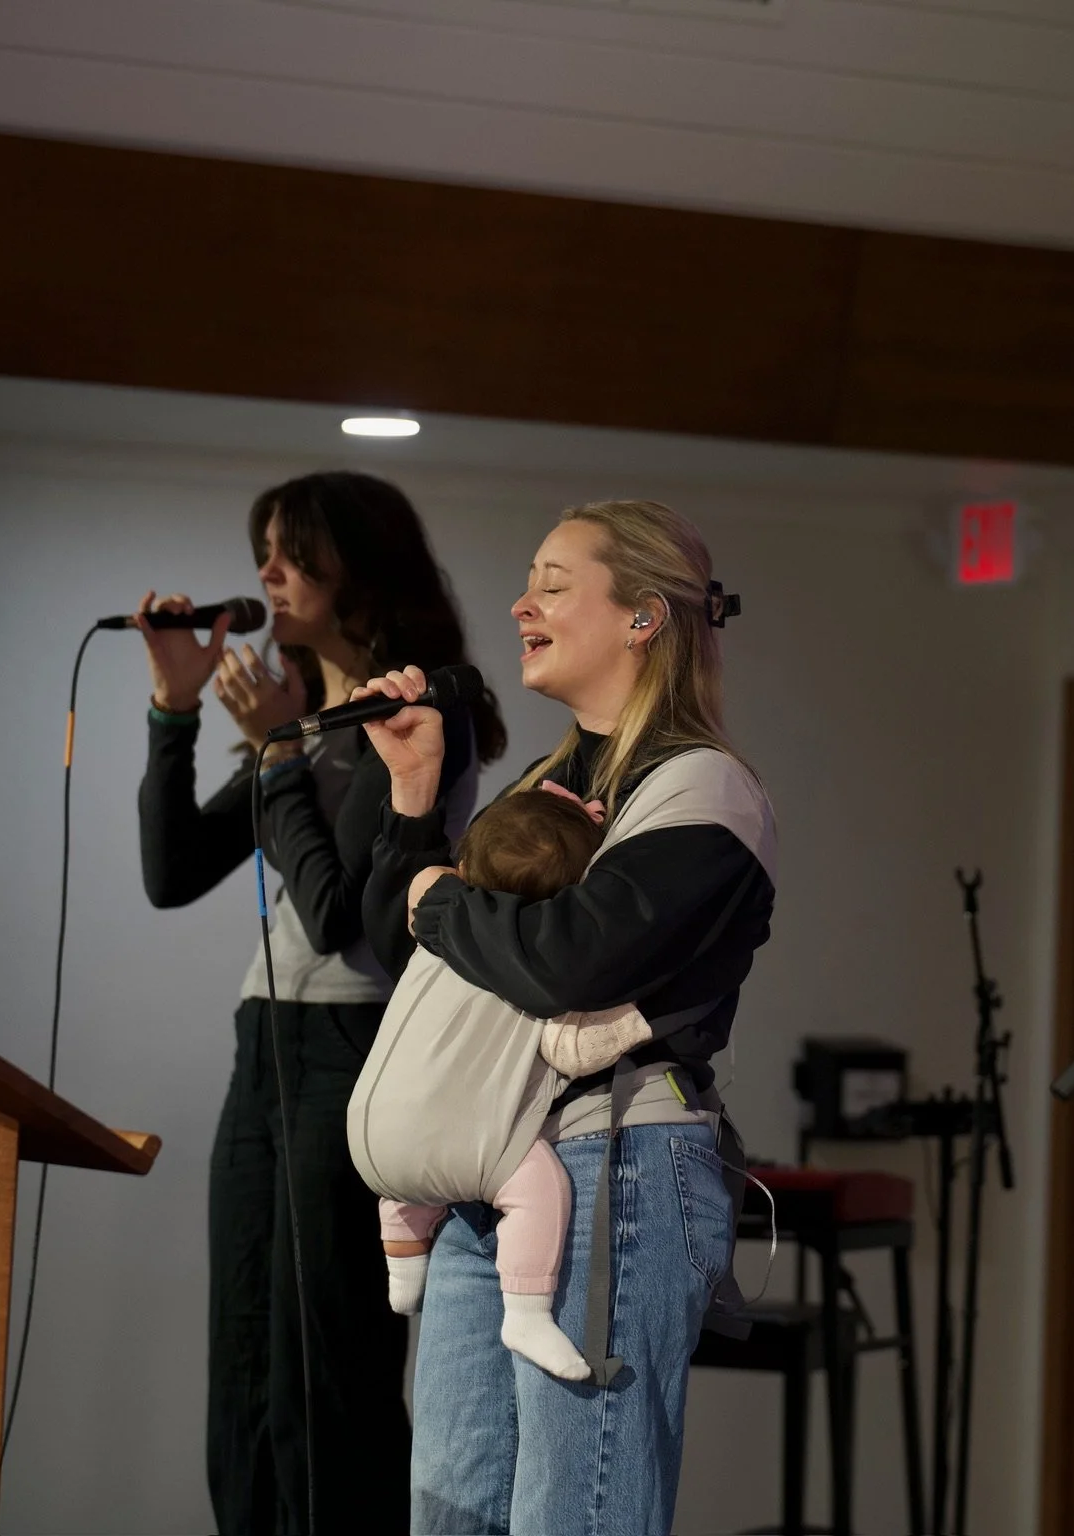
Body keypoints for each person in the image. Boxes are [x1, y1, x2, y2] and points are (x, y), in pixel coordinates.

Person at [351, 499, 775, 1535]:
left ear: (641, 617)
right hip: (481, 1185)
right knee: (452, 1514)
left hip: (614, 1171)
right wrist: (414, 798)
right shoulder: (548, 781)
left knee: (574, 1517)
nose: (519, 603)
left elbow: (572, 960)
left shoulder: (701, 789)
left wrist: (444, 900)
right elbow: (394, 946)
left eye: (552, 582)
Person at [133, 470, 506, 1534]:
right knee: (246, 1358)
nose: (265, 574)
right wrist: (173, 709)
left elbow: (344, 914)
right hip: (266, 1045)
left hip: (354, 1041)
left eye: (291, 551)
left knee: (326, 1365)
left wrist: (282, 750)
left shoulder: (419, 706)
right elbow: (171, 873)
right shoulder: (300, 723)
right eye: (263, 550)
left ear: (358, 566)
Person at [361, 783, 655, 1387]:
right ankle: (526, 1312)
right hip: (464, 1154)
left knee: (421, 1137)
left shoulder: (432, 937)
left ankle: (402, 1258)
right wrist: (648, 1012)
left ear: (465, 869)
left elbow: (421, 884)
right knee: (538, 1185)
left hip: (370, 1142)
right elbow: (570, 1050)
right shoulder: (533, 968)